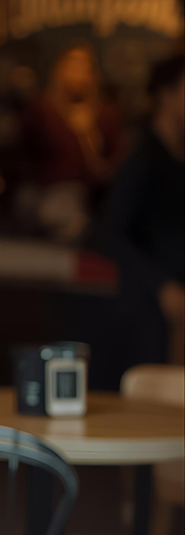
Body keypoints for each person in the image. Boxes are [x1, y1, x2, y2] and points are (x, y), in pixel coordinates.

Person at [94, 54, 185, 368]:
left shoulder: (177, 157)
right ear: (166, 95)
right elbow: (112, 233)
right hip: (147, 308)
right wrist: (161, 285)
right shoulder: (143, 158)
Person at [24, 45, 124, 241]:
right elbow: (28, 156)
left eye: (84, 68)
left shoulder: (107, 114)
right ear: (58, 70)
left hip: (96, 195)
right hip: (51, 193)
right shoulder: (41, 109)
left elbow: (114, 165)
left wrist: (88, 135)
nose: (78, 74)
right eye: (72, 66)